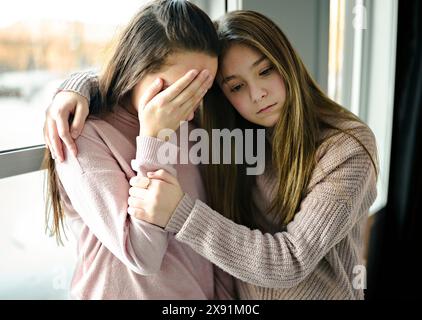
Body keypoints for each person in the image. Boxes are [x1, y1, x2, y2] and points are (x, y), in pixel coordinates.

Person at [44, 10, 378, 300]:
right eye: (235, 86)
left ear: (287, 62)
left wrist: (178, 210)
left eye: (266, 71)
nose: (258, 94)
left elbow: (289, 261)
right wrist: (76, 86)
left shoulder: (347, 148)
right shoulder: (218, 127)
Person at [43, 0, 235, 300]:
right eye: (179, 89)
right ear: (137, 67)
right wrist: (155, 138)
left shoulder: (194, 126)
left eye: (201, 90)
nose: (189, 104)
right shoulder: (82, 136)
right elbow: (143, 256)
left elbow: (208, 250)